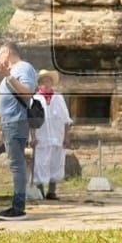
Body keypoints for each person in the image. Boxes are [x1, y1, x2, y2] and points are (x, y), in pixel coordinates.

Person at [0, 39, 40, 220]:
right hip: (10, 122)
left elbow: (28, 92)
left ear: (7, 52)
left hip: (16, 121)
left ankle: (18, 207)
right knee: (16, 164)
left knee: (17, 165)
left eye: (0, 54)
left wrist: (9, 76)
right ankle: (16, 205)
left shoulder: (23, 68)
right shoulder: (12, 72)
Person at [30, 70, 72, 200]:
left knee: (56, 163)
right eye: (43, 82)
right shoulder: (35, 99)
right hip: (41, 138)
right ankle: (40, 190)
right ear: (39, 84)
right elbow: (31, 121)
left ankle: (52, 191)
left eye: (48, 81)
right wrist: (32, 137)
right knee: (40, 164)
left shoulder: (59, 98)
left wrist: (66, 137)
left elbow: (66, 119)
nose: (46, 84)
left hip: (57, 137)